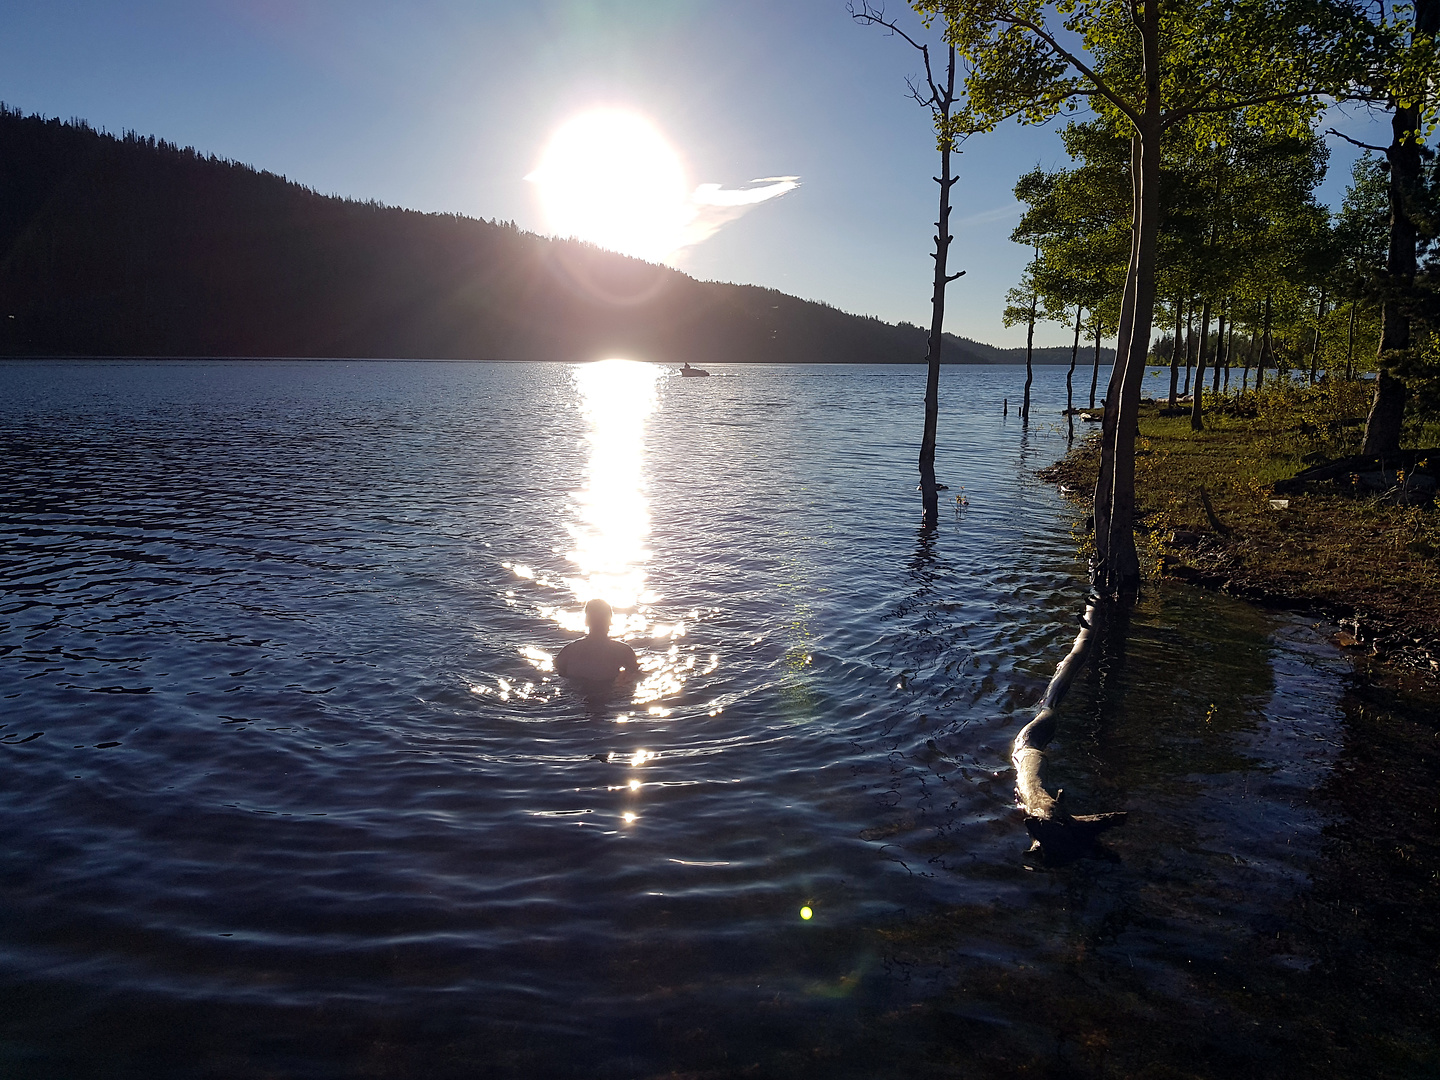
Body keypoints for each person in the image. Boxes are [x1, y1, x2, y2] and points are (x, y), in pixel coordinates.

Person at [555, 599, 639, 683]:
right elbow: (635, 674)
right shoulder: (623, 651)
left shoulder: (569, 651)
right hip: (609, 692)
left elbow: (558, 672)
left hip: (576, 692)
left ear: (586, 622)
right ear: (610, 622)